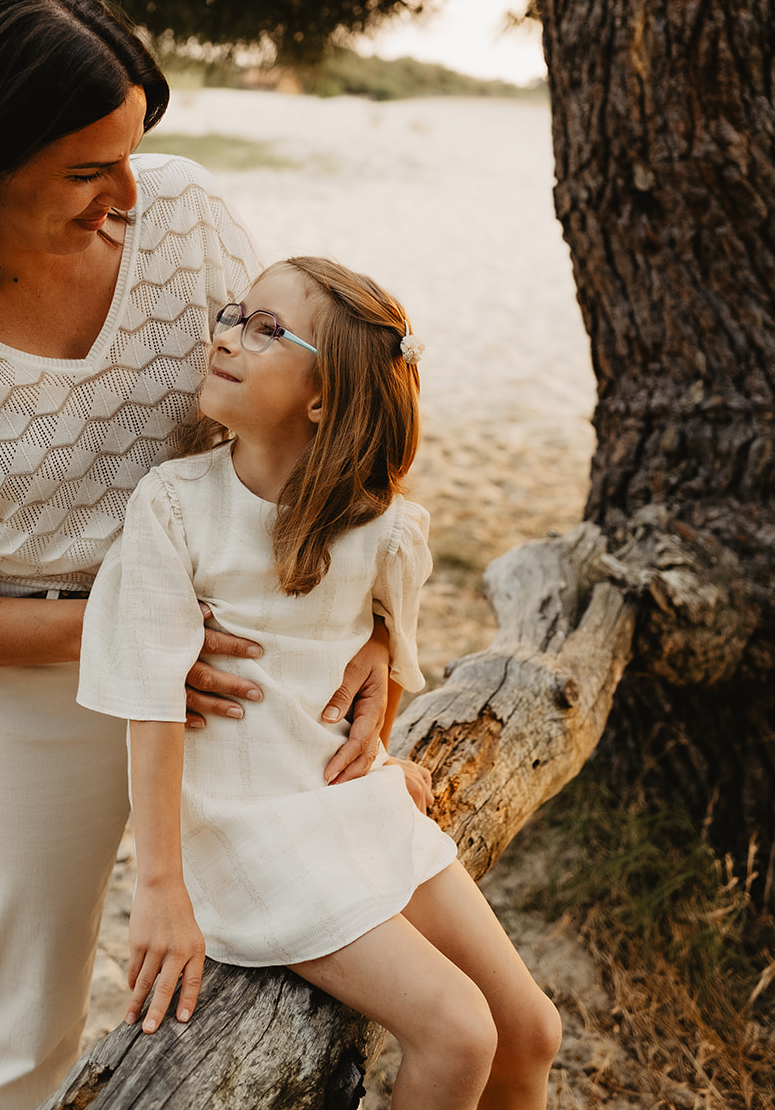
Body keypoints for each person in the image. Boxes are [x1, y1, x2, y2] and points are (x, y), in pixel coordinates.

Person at [0, 0, 394, 1110]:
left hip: (238, 666)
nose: (123, 193)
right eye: (83, 169)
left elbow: (327, 412)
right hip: (28, 688)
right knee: (21, 1032)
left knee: (323, 961)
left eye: (131, 151)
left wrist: (369, 631)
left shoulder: (186, 213)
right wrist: (115, 636)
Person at [77, 257, 562, 1110]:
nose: (226, 336)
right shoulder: (174, 505)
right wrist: (160, 889)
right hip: (249, 828)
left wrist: (378, 751)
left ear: (323, 397)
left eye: (267, 331)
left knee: (529, 1034)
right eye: (235, 316)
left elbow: (375, 665)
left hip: (344, 800)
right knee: (458, 1034)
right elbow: (148, 700)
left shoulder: (382, 529)